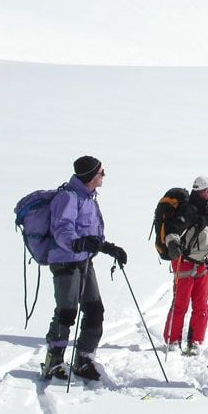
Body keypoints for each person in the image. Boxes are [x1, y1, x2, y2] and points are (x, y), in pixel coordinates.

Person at [41, 156, 128, 381]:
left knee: (95, 310)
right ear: (91, 176)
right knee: (67, 312)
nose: (103, 176)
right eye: (101, 172)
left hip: (84, 261)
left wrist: (108, 247)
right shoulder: (68, 197)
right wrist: (76, 243)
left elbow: (90, 231)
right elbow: (62, 228)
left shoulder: (88, 198)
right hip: (65, 262)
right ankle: (54, 360)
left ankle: (84, 357)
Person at [163, 176, 208, 355]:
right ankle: (173, 341)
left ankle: (195, 342)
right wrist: (173, 244)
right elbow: (173, 230)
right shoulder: (189, 210)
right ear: (205, 191)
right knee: (181, 304)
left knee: (201, 305)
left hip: (203, 264)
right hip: (185, 263)